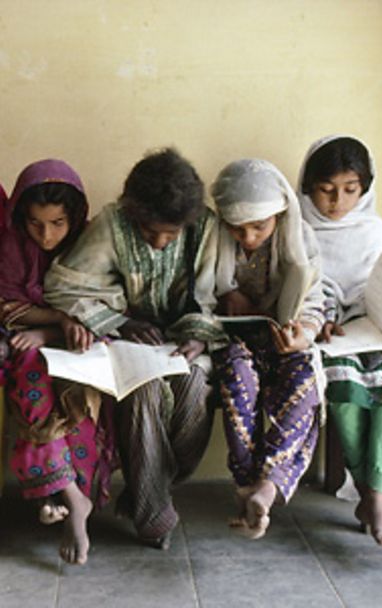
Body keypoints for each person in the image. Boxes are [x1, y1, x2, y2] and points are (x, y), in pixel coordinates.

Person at [45, 148, 223, 550]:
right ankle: (152, 515)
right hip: (125, 344)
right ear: (133, 212)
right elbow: (64, 285)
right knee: (141, 395)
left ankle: (149, 488)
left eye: (170, 234)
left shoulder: (204, 228)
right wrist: (121, 322)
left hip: (184, 345)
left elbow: (212, 295)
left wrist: (198, 334)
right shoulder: (113, 223)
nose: (160, 242)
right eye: (149, 231)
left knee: (195, 392)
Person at [297, 135, 382, 550]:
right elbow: (293, 292)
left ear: (365, 188)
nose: (338, 202)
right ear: (307, 186)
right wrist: (315, 319)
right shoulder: (297, 233)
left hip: (379, 334)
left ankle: (375, 493)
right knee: (345, 383)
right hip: (330, 338)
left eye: (350, 190)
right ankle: (371, 492)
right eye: (326, 190)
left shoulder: (376, 232)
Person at [0, 159, 112, 565]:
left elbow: (103, 309)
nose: (45, 236)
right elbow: (7, 306)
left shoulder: (92, 244)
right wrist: (57, 321)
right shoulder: (14, 245)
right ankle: (69, 497)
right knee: (31, 376)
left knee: (78, 395)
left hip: (80, 346)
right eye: (35, 223)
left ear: (76, 217)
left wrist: (54, 331)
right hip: (31, 343)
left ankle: (62, 493)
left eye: (57, 223)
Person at [208, 158, 327, 539]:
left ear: (280, 214)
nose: (248, 237)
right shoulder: (212, 239)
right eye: (237, 229)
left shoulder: (300, 238)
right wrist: (226, 293)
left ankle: (267, 485)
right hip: (233, 343)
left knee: (305, 381)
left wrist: (302, 334)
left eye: (259, 226)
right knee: (237, 376)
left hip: (284, 343)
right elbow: (196, 293)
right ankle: (247, 484)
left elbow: (315, 302)